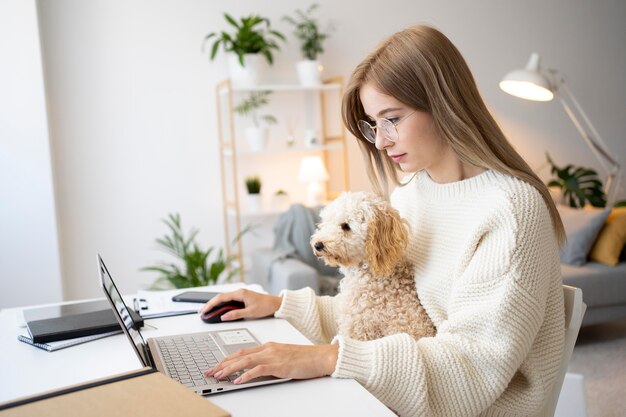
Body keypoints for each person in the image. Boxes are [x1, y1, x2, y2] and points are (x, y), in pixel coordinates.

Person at [200, 24, 566, 417]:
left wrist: (328, 358)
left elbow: (471, 369)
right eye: (373, 124)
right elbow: (382, 311)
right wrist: (280, 305)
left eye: (391, 119)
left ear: (444, 102)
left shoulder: (511, 210)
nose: (379, 141)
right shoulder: (411, 195)